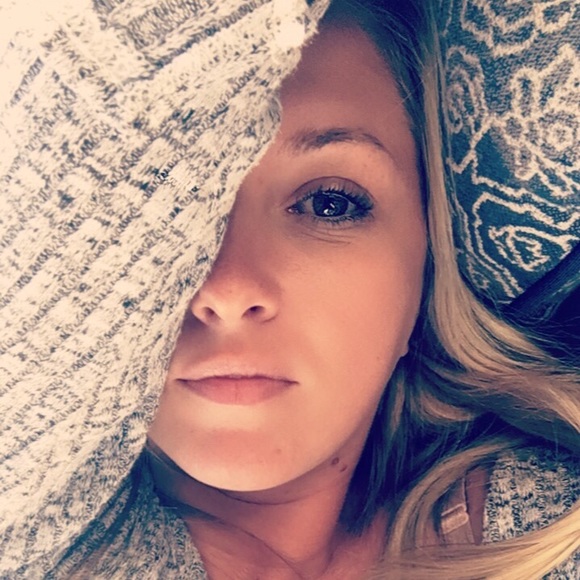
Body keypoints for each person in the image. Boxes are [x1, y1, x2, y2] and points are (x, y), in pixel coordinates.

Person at [0, 0, 578, 578]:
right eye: (166, 214)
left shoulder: (546, 533)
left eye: (329, 203)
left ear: (424, 264)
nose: (228, 290)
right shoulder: (41, 541)